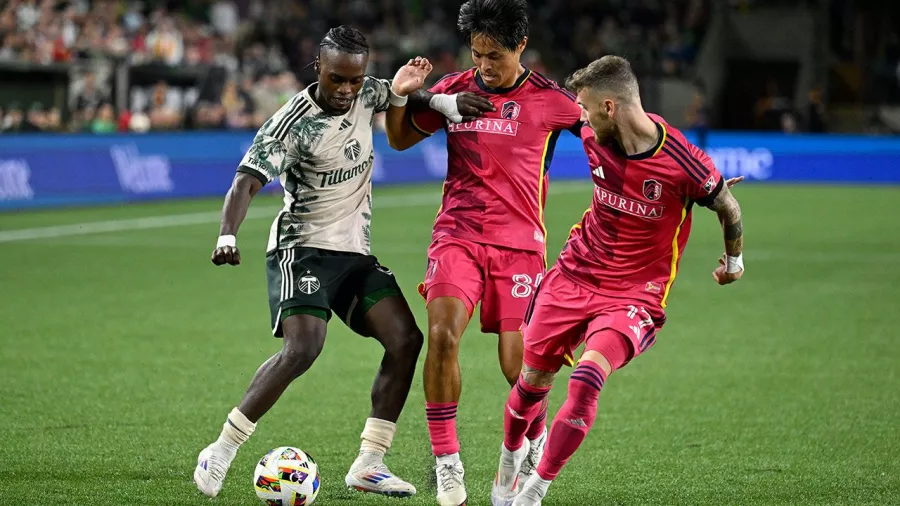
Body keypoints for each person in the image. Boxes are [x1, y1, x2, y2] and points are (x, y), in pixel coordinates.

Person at [192, 26, 458, 499]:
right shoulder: (290, 123)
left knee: (406, 339)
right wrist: (228, 234)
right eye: (338, 79)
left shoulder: (365, 91)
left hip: (354, 254)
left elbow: (401, 97)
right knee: (304, 349)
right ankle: (222, 449)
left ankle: (370, 463)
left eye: (355, 81)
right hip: (304, 248)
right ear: (318, 67)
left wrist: (444, 104)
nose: (347, 90)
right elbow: (245, 182)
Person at [489, 55, 746, 506]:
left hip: (634, 295)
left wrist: (734, 261)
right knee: (530, 384)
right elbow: (544, 102)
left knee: (587, 378)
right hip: (573, 274)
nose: (581, 117)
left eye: (587, 108)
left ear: (610, 107)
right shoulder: (592, 131)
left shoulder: (682, 160)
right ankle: (510, 457)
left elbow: (728, 205)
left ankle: (533, 492)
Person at [384, 1, 583, 504]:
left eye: (494, 55)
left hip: (521, 248)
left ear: (520, 46)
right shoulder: (454, 90)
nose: (484, 66)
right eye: (476, 54)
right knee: (443, 334)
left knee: (520, 367)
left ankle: (532, 439)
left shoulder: (551, 101)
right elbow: (400, 139)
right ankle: (447, 462)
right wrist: (401, 98)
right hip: (458, 236)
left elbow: (609, 137)